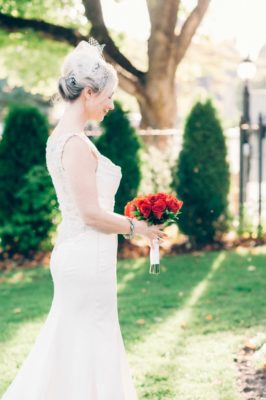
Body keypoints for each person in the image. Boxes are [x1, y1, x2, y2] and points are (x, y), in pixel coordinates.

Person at [1, 38, 167, 400]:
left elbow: (88, 206)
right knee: (88, 342)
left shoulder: (62, 139)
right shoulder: (74, 143)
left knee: (74, 345)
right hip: (85, 258)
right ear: (89, 92)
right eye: (108, 96)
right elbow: (91, 214)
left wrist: (130, 221)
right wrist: (138, 229)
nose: (110, 105)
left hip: (83, 256)